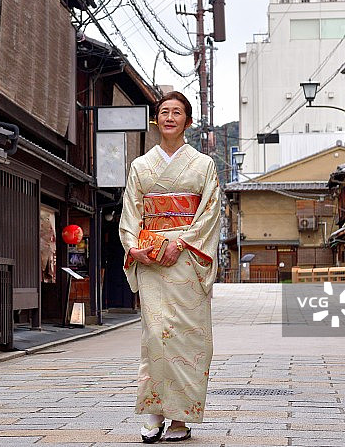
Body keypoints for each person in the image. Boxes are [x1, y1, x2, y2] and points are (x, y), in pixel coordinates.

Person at [118, 91, 221, 443]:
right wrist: (134, 249)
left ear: (187, 122)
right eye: (164, 112)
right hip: (151, 258)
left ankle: (180, 418)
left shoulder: (203, 165)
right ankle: (153, 412)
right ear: (156, 120)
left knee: (189, 339)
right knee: (154, 336)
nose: (170, 117)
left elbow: (210, 213)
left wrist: (181, 243)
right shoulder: (141, 166)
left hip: (188, 258)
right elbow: (131, 212)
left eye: (177, 112)